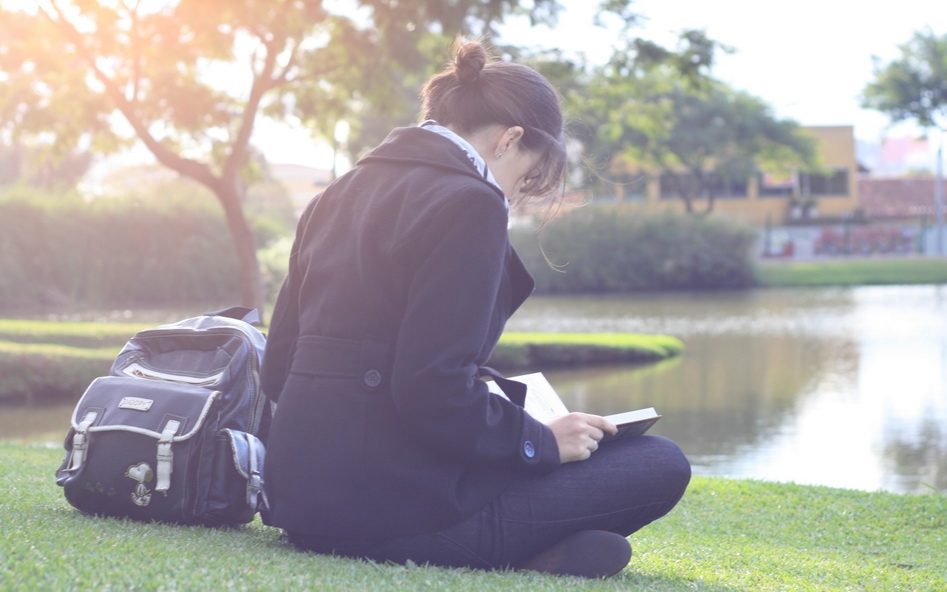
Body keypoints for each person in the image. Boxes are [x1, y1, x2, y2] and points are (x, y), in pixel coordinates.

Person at [260, 38, 690, 579]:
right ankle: (505, 553)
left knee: (550, 457)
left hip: (303, 507)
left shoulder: (335, 193)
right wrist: (540, 441)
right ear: (510, 140)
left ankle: (536, 555)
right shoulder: (469, 201)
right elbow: (429, 389)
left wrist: (507, 413)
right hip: (393, 515)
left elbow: (278, 369)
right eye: (527, 176)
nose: (515, 194)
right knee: (657, 462)